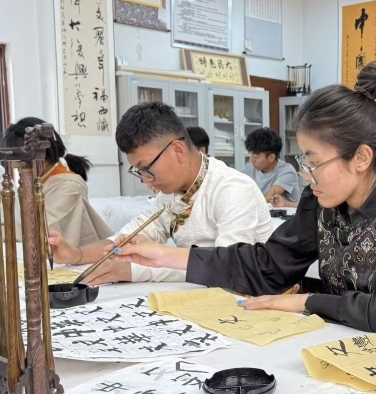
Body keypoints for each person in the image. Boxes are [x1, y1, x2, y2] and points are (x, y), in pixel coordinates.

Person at [113, 62, 376, 335]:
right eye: (303, 161)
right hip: (332, 342)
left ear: (360, 158)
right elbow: (269, 266)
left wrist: (305, 301)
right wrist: (169, 256)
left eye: (313, 162)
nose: (305, 174)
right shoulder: (321, 204)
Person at [48, 102, 274, 285]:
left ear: (177, 150)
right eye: (139, 172)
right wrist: (75, 255)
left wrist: (135, 271)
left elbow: (227, 266)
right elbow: (126, 238)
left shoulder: (232, 189)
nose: (147, 180)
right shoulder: (170, 193)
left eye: (147, 169)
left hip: (249, 298)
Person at [0, 118, 112, 247]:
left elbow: (37, 231)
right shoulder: (37, 183)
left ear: (41, 154)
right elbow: (20, 225)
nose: (14, 165)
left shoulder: (70, 187)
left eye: (18, 158)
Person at [241, 127, 300, 203]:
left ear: (271, 157)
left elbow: (269, 196)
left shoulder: (287, 171)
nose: (251, 160)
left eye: (255, 157)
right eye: (251, 155)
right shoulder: (249, 168)